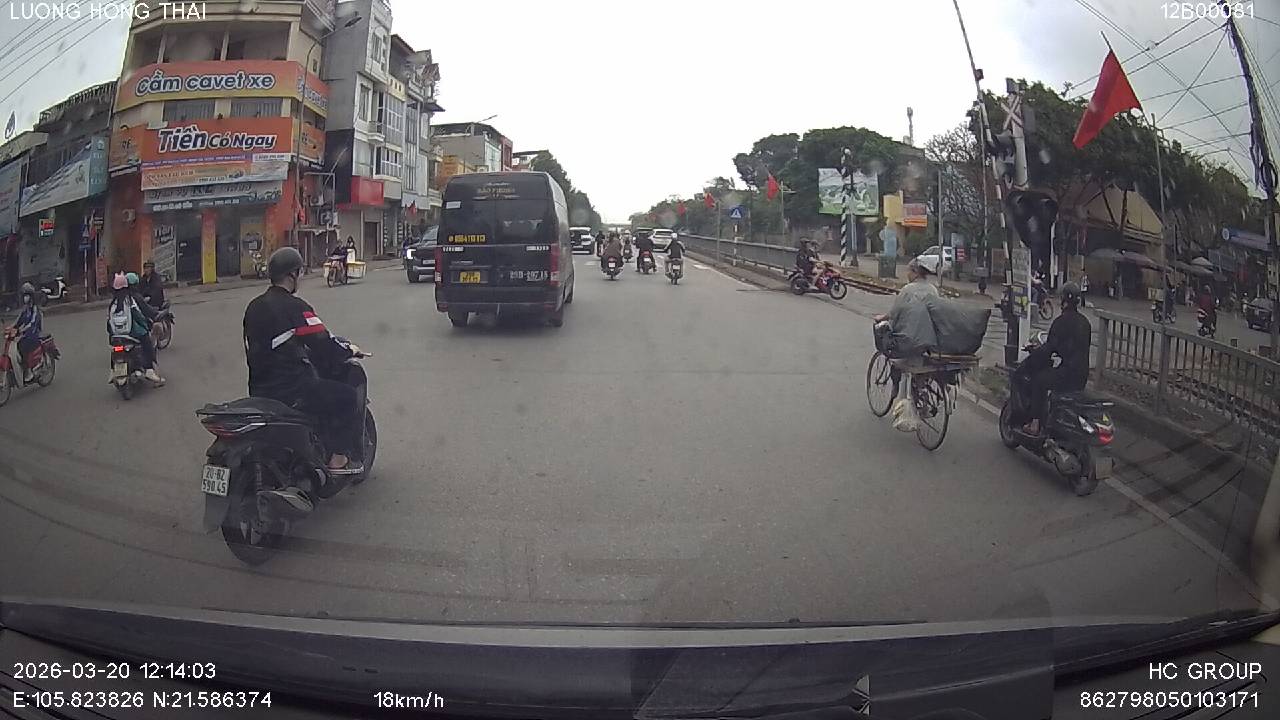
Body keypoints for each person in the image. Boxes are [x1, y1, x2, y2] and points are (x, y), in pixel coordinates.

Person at [243, 247, 365, 512]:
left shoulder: (254, 307)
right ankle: (338, 461)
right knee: (346, 397)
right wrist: (349, 350)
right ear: (293, 274)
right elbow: (324, 342)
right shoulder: (294, 307)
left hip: (260, 390)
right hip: (293, 389)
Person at [1021, 282, 1091, 436]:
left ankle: (1035, 423)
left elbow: (1049, 348)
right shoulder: (1085, 322)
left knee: (1039, 381)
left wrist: (1035, 353)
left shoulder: (1061, 322)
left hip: (1067, 374)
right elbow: (1074, 347)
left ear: (1064, 300)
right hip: (1082, 375)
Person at [106, 273, 164, 384]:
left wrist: (112, 333)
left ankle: (113, 370)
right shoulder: (130, 300)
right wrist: (146, 326)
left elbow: (109, 322)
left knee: (114, 346)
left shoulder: (113, 303)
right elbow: (138, 316)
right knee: (146, 341)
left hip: (116, 335)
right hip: (131, 332)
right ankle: (149, 369)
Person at [8, 283, 43, 384]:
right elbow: (18, 321)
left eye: (27, 295)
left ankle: (28, 372)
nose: (25, 298)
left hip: (34, 335)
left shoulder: (35, 309)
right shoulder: (25, 309)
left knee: (22, 348)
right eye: (24, 295)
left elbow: (32, 323)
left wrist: (20, 330)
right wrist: (10, 328)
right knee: (16, 348)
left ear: (31, 296)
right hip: (26, 335)